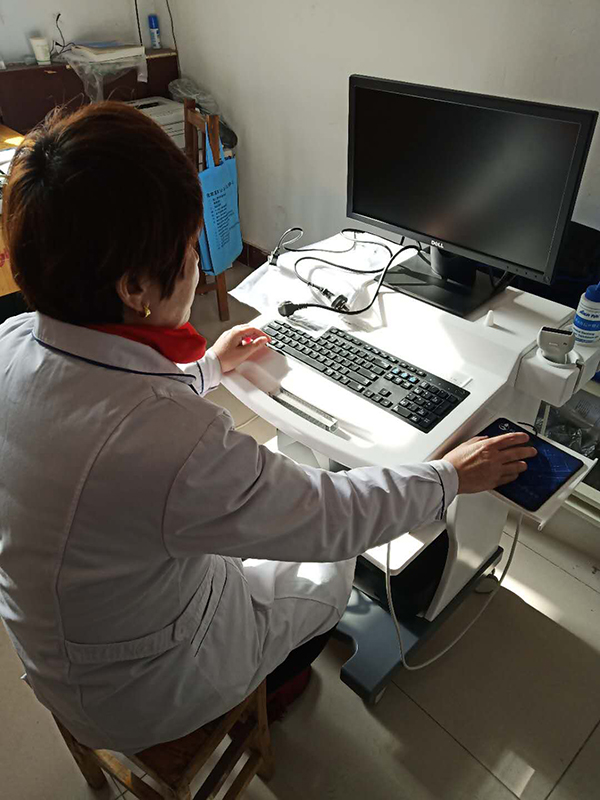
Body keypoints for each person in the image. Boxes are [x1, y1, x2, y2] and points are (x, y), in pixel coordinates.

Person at [0, 102, 535, 755]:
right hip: (146, 691)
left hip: (64, 647)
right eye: (191, 247)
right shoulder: (172, 444)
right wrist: (449, 476)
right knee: (333, 560)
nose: (199, 263)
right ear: (136, 285)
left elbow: (104, 404)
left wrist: (207, 368)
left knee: (262, 515)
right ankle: (278, 680)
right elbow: (331, 516)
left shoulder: (14, 341)